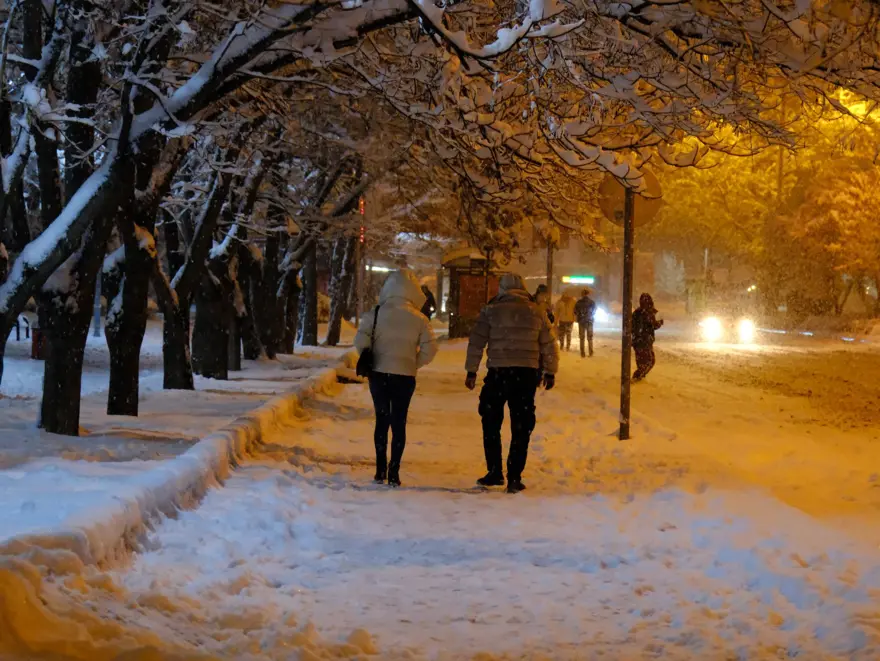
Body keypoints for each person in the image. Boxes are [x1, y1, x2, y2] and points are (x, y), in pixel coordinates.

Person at [465, 273, 559, 494]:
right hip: (525, 374)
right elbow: (549, 344)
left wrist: (471, 371)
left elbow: (476, 342)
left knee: (490, 421)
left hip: (498, 373)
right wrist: (550, 372)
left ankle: (495, 471)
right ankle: (515, 476)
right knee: (521, 425)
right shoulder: (536, 311)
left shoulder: (491, 310)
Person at [355, 270, 438, 487]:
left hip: (379, 374)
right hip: (405, 376)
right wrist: (413, 362)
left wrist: (373, 357)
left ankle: (380, 469)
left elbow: (360, 341)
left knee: (382, 420)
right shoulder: (418, 318)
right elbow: (431, 348)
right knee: (399, 422)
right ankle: (394, 472)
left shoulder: (376, 313)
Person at [631, 292, 663, 382]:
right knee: (648, 361)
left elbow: (650, 325)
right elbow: (653, 325)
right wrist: (659, 323)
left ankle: (639, 376)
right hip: (643, 341)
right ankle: (637, 377)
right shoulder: (645, 313)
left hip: (642, 341)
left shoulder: (639, 312)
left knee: (647, 361)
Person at [574, 288, 597, 357]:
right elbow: (594, 311)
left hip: (581, 322)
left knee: (582, 338)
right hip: (589, 321)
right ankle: (590, 352)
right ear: (588, 294)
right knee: (590, 338)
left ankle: (582, 353)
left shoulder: (578, 302)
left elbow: (575, 311)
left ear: (582, 294)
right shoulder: (592, 302)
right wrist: (590, 315)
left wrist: (580, 315)